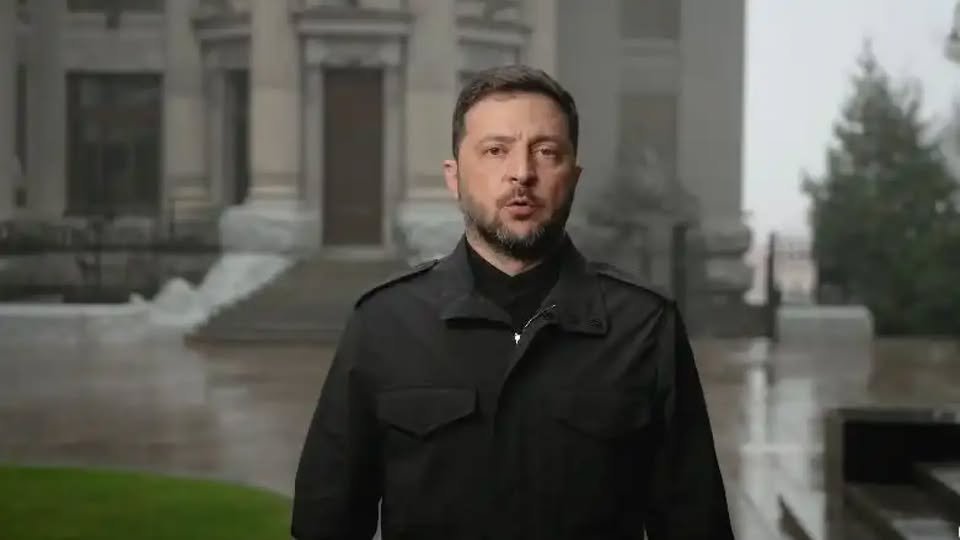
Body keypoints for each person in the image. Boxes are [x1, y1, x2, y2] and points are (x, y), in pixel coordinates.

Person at [291, 65, 734, 540]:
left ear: (574, 177)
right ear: (454, 176)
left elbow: (696, 526)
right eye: (495, 151)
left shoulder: (645, 326)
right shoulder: (383, 323)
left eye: (546, 152)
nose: (522, 173)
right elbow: (326, 525)